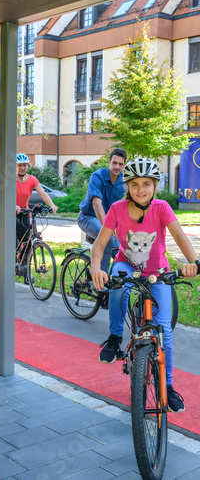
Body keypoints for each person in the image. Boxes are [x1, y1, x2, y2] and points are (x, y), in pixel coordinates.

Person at [90, 157, 199, 413]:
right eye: (135, 184)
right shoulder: (117, 209)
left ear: (155, 186)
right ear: (127, 187)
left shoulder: (161, 207)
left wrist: (193, 262)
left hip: (157, 272)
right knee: (118, 286)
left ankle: (168, 385)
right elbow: (100, 244)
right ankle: (115, 337)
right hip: (126, 266)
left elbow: (180, 237)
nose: (141, 189)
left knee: (164, 331)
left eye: (147, 184)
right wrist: (96, 267)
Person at [78, 148, 127, 273]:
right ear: (109, 162)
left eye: (120, 164)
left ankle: (114, 281)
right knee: (107, 238)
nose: (117, 166)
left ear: (124, 165)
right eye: (114, 163)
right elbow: (96, 203)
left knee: (122, 250)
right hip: (87, 217)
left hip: (109, 221)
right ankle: (100, 282)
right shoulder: (97, 176)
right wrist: (107, 228)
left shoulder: (125, 181)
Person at [15, 153, 58, 282]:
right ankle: (10, 262)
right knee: (13, 236)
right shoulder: (11, 178)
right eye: (19, 165)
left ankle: (27, 272)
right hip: (12, 211)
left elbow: (43, 193)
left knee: (28, 241)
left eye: (24, 165)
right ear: (15, 166)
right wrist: (14, 205)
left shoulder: (32, 179)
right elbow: (6, 194)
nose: (22, 168)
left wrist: (52, 205)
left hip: (24, 212)